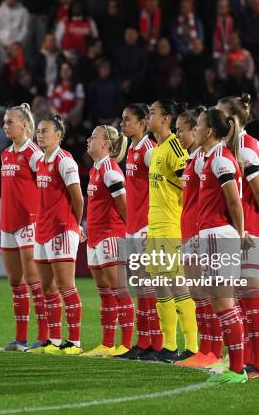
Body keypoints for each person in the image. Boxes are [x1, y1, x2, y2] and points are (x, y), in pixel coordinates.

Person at [218, 94, 259, 379]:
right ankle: (244, 360)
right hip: (239, 230)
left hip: (249, 230)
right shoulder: (236, 146)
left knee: (249, 297)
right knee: (240, 299)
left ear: (231, 119)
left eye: (219, 115)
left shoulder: (245, 150)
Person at [193, 107, 248, 384]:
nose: (195, 129)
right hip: (211, 235)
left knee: (224, 304)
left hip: (218, 236)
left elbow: (234, 202)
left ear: (210, 131)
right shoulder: (209, 157)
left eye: (199, 125)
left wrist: (239, 235)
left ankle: (238, 370)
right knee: (221, 304)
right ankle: (235, 364)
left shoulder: (220, 161)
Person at [144, 100, 197, 362]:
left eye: (152, 113)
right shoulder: (156, 150)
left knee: (177, 285)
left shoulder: (174, 147)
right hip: (155, 226)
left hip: (170, 226)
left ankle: (192, 348)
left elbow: (189, 184)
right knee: (160, 287)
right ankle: (168, 347)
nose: (148, 117)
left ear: (166, 119)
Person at [28, 115, 84, 355]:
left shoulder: (65, 161)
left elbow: (78, 197)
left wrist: (75, 223)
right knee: (47, 287)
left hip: (61, 229)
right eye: (39, 131)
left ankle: (74, 343)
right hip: (42, 230)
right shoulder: (39, 161)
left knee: (66, 285)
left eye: (46, 131)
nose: (40, 134)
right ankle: (54, 340)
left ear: (58, 135)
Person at [174, 107, 223, 369]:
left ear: (196, 131)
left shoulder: (204, 159)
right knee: (197, 294)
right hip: (189, 230)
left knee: (205, 293)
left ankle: (213, 351)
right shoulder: (192, 159)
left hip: (198, 230)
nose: (178, 134)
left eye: (181, 129)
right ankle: (206, 349)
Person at [0, 103, 48, 352]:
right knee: (16, 283)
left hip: (29, 223)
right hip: (7, 224)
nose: (5, 126)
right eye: (5, 122)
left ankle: (44, 337)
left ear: (25, 125)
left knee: (34, 281)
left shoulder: (35, 154)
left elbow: (46, 187)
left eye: (10, 122)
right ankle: (20, 340)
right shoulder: (5, 154)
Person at [83, 124, 134, 357]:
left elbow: (124, 205)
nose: (88, 140)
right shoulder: (95, 170)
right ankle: (107, 343)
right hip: (95, 237)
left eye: (94, 137)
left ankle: (125, 344)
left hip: (111, 235)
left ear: (106, 144)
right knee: (104, 292)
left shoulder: (111, 171)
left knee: (119, 290)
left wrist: (128, 233)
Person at [117, 103, 162, 360]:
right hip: (133, 226)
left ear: (142, 123)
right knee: (141, 287)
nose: (122, 124)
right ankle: (144, 342)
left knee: (150, 287)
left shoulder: (148, 149)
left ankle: (156, 344)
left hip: (146, 225)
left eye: (127, 120)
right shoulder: (133, 149)